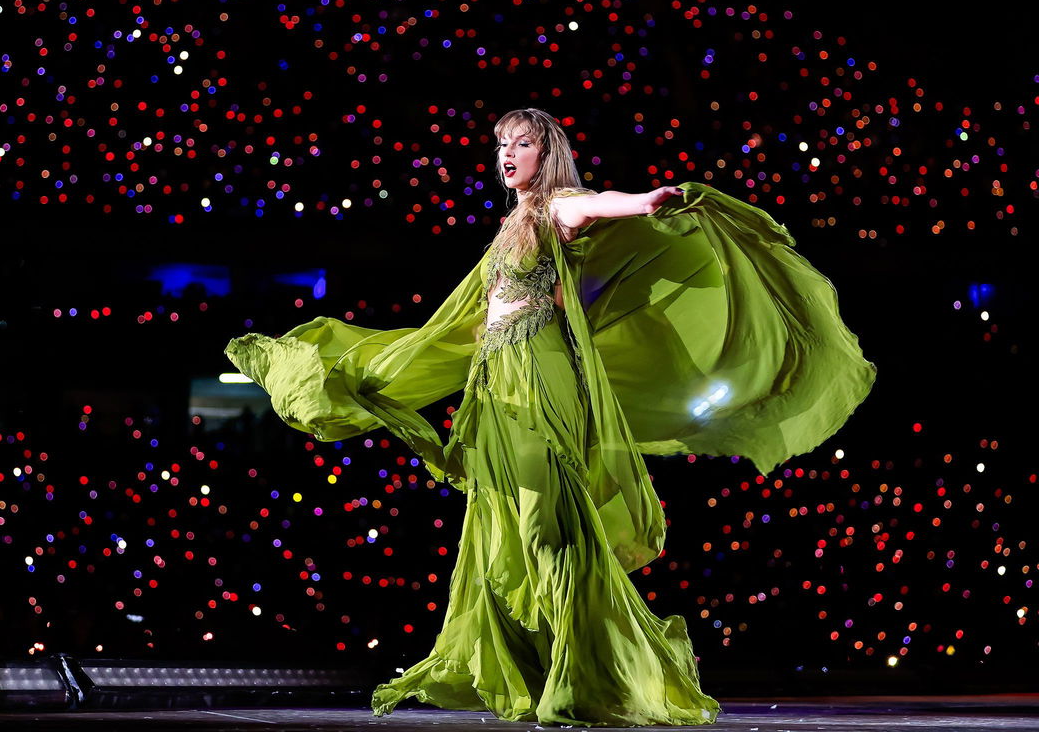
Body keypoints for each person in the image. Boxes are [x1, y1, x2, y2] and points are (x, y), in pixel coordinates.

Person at [225, 108, 877, 726]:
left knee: (549, 525)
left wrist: (653, 201)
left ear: (548, 153)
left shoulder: (557, 205)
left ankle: (590, 672)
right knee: (506, 522)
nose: (508, 155)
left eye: (522, 144)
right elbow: (481, 318)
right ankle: (548, 668)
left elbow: (600, 203)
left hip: (541, 375)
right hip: (496, 382)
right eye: (502, 145)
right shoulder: (511, 223)